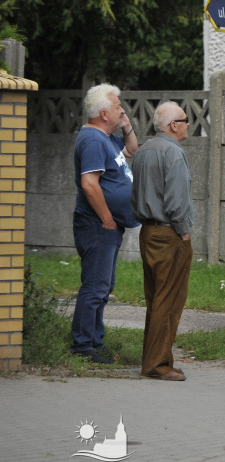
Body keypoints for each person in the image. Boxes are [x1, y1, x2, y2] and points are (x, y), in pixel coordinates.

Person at [71, 84, 139, 363]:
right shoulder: (93, 141)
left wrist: (126, 124)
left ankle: (95, 342)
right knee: (95, 286)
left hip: (106, 226)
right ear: (102, 112)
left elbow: (132, 150)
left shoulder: (107, 138)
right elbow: (89, 184)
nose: (122, 108)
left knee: (104, 285)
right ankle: (83, 346)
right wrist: (108, 219)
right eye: (116, 106)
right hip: (97, 226)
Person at [130, 102, 194, 381]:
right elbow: (177, 201)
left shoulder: (143, 151)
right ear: (173, 126)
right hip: (169, 234)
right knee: (169, 300)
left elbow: (134, 194)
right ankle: (156, 366)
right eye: (184, 119)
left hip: (148, 231)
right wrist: (184, 232)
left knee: (156, 298)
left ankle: (161, 359)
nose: (188, 123)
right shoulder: (174, 154)